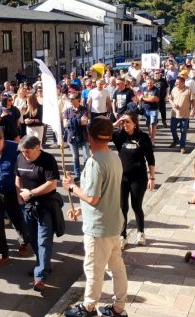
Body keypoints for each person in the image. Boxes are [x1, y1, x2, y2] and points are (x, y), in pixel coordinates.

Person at [62, 117, 127, 317]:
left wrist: (72, 187)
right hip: (114, 222)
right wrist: (81, 209)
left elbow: (93, 197)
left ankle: (88, 307)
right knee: (116, 265)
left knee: (93, 269)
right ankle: (119, 307)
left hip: (99, 227)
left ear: (89, 136)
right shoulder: (114, 156)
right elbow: (106, 194)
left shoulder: (94, 162)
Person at [15, 135, 60, 292]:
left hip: (45, 206)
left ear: (37, 148)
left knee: (43, 241)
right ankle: (43, 265)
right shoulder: (20, 158)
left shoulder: (48, 160)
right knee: (33, 239)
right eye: (22, 151)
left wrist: (32, 193)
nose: (25, 155)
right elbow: (18, 178)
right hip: (28, 207)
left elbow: (52, 184)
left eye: (27, 151)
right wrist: (19, 197)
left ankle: (40, 277)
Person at [0, 128, 30, 267]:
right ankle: (2, 253)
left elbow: (24, 168)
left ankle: (24, 242)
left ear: (2, 139)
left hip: (12, 190)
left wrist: (21, 190)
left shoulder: (15, 148)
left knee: (16, 218)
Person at [112, 112, 155, 249]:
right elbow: (103, 133)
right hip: (122, 178)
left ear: (135, 123)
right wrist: (115, 123)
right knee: (122, 207)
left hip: (139, 177)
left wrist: (152, 177)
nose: (125, 125)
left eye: (127, 122)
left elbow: (150, 158)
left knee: (136, 206)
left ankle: (141, 232)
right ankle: (122, 235)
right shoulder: (119, 136)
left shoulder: (142, 137)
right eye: (123, 122)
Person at [63, 92, 89, 181]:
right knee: (75, 157)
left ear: (78, 99)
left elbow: (84, 121)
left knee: (86, 157)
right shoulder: (67, 111)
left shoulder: (84, 109)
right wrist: (77, 121)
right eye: (69, 99)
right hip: (71, 136)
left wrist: (71, 121)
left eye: (72, 98)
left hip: (83, 136)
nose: (70, 100)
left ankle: (86, 174)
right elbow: (64, 124)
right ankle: (77, 175)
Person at [169, 77, 195, 153]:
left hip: (184, 114)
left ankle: (182, 146)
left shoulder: (188, 90)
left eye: (177, 83)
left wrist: (193, 111)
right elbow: (170, 99)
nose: (176, 84)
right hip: (174, 113)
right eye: (176, 83)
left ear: (183, 83)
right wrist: (173, 104)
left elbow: (193, 102)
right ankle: (176, 140)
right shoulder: (174, 89)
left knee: (183, 130)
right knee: (172, 129)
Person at [140, 78, 160, 146]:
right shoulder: (144, 88)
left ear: (153, 83)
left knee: (153, 125)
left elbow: (153, 99)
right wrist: (143, 98)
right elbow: (141, 96)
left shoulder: (156, 89)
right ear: (146, 83)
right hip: (146, 109)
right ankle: (150, 137)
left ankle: (152, 140)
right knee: (148, 124)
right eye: (148, 83)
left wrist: (143, 99)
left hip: (153, 109)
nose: (149, 84)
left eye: (151, 83)